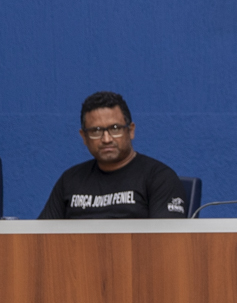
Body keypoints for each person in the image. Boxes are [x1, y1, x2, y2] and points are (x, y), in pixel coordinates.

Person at [39, 92, 186, 219]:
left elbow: (166, 239)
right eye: (96, 131)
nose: (106, 139)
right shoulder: (70, 180)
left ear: (131, 131)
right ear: (84, 137)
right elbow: (40, 237)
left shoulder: (159, 178)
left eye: (115, 128)